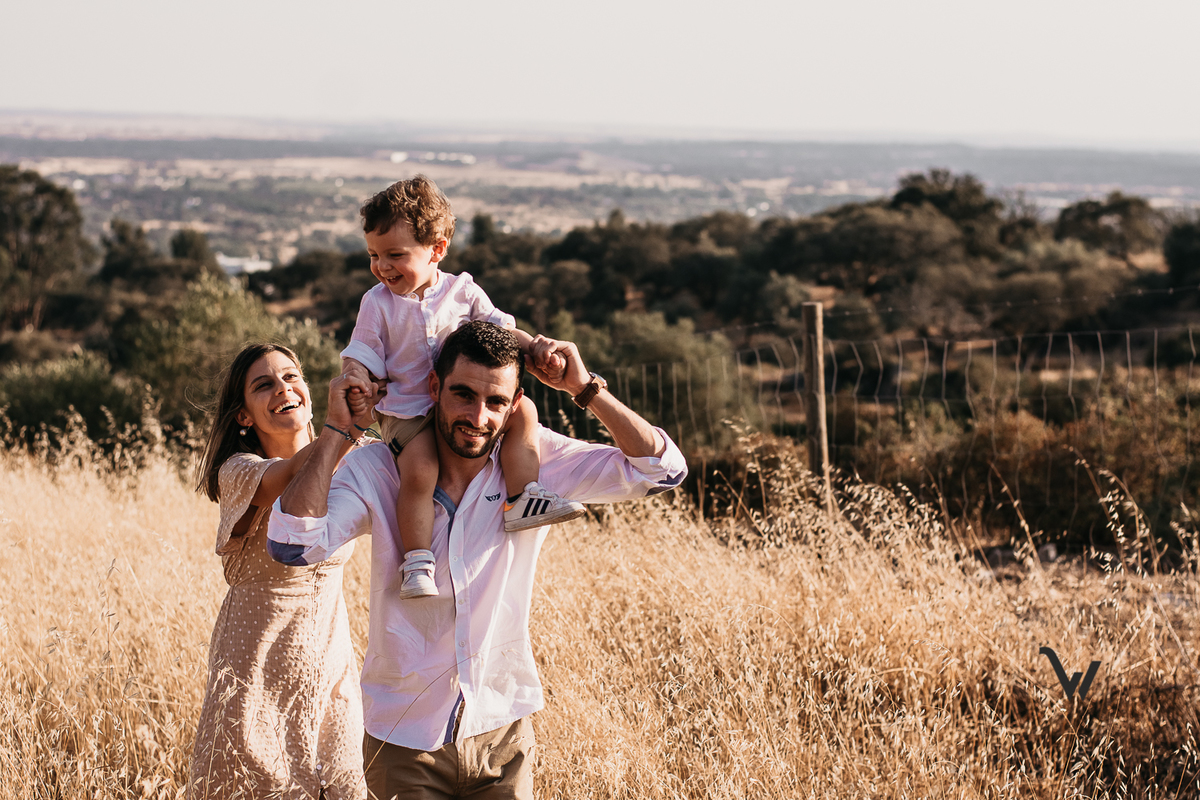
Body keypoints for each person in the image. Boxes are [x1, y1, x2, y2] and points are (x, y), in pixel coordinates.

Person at [267, 321, 687, 800]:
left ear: (514, 405)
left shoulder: (537, 463)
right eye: (463, 395)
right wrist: (339, 433)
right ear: (434, 388)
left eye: (495, 402)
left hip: (503, 732)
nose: (478, 416)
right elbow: (293, 545)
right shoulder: (376, 470)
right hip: (405, 742)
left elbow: (664, 471)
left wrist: (584, 389)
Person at [340, 175, 583, 601]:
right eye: (374, 255)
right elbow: (360, 350)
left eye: (395, 255)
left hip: (460, 403)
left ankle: (523, 497)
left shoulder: (463, 290)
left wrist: (537, 348)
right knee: (420, 469)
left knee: (524, 413)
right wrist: (357, 376)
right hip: (410, 411)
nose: (382, 267)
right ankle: (416, 560)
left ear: (436, 250)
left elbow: (501, 330)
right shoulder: (376, 303)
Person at [189, 343, 376, 800]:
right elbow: (295, 471)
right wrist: (342, 429)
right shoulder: (239, 471)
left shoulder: (352, 456)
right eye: (264, 385)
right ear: (244, 416)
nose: (283, 389)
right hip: (255, 670)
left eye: (291, 377)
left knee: (341, 785)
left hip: (330, 665)